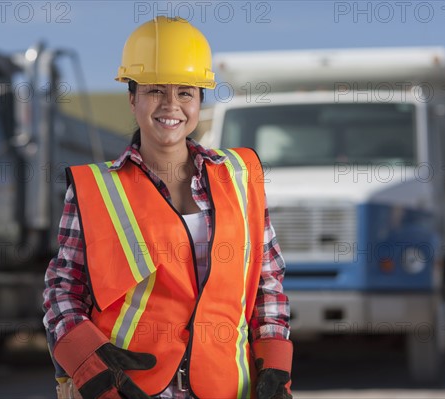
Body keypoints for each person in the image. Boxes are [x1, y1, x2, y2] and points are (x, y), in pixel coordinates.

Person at [43, 16, 292, 399]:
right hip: (130, 390)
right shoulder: (95, 190)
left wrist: (275, 365)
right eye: (155, 91)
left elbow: (267, 285)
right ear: (132, 98)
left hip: (230, 387)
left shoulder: (241, 178)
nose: (170, 105)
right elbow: (62, 291)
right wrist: (89, 366)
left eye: (185, 93)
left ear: (200, 100)